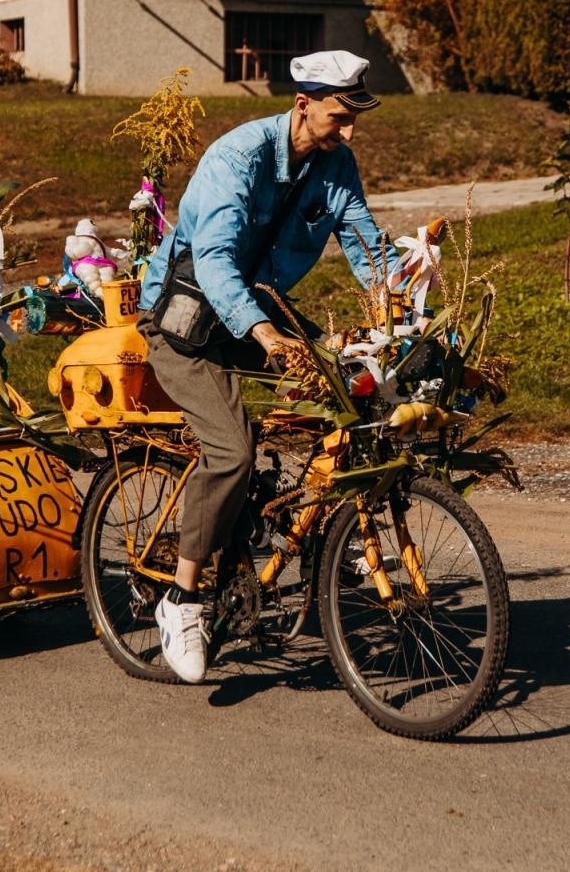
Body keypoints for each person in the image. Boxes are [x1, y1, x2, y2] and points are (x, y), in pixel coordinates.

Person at [136, 49, 388, 683]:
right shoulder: (236, 158)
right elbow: (217, 260)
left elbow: (365, 246)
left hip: (258, 313)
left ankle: (331, 534)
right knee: (232, 452)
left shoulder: (337, 163)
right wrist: (268, 336)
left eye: (355, 116)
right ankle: (182, 599)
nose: (349, 131)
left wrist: (402, 307)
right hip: (187, 322)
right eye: (340, 116)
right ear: (303, 105)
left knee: (356, 388)